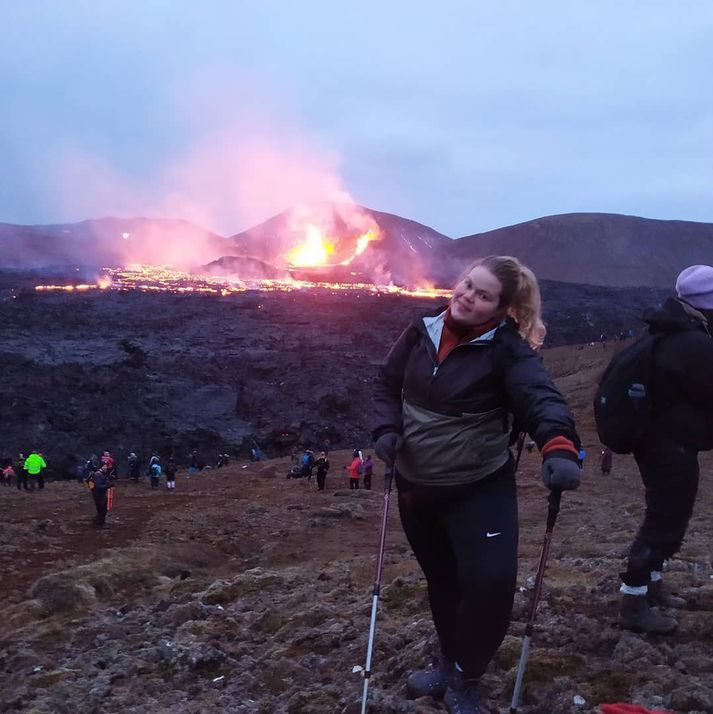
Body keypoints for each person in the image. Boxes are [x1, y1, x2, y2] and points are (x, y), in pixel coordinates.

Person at [372, 255, 581, 713]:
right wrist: (386, 429)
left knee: (490, 583)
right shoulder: (419, 332)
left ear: (500, 308)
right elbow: (386, 386)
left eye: (483, 295)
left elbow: (539, 397)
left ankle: (467, 680)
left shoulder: (507, 351)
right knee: (443, 582)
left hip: (477, 488)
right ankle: (449, 665)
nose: (468, 297)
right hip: (418, 489)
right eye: (468, 285)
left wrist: (559, 445)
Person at [617, 265, 713, 634]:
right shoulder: (693, 343)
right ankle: (634, 601)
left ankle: (652, 585)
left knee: (664, 513)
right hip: (669, 446)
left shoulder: (669, 331)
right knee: (665, 520)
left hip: (659, 442)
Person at [86, 463, 115, 527]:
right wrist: (108, 485)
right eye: (104, 466)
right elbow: (98, 486)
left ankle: (98, 521)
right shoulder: (97, 475)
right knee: (102, 509)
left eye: (106, 466)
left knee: (101, 509)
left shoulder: (100, 474)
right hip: (99, 495)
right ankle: (100, 524)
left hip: (99, 495)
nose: (105, 468)